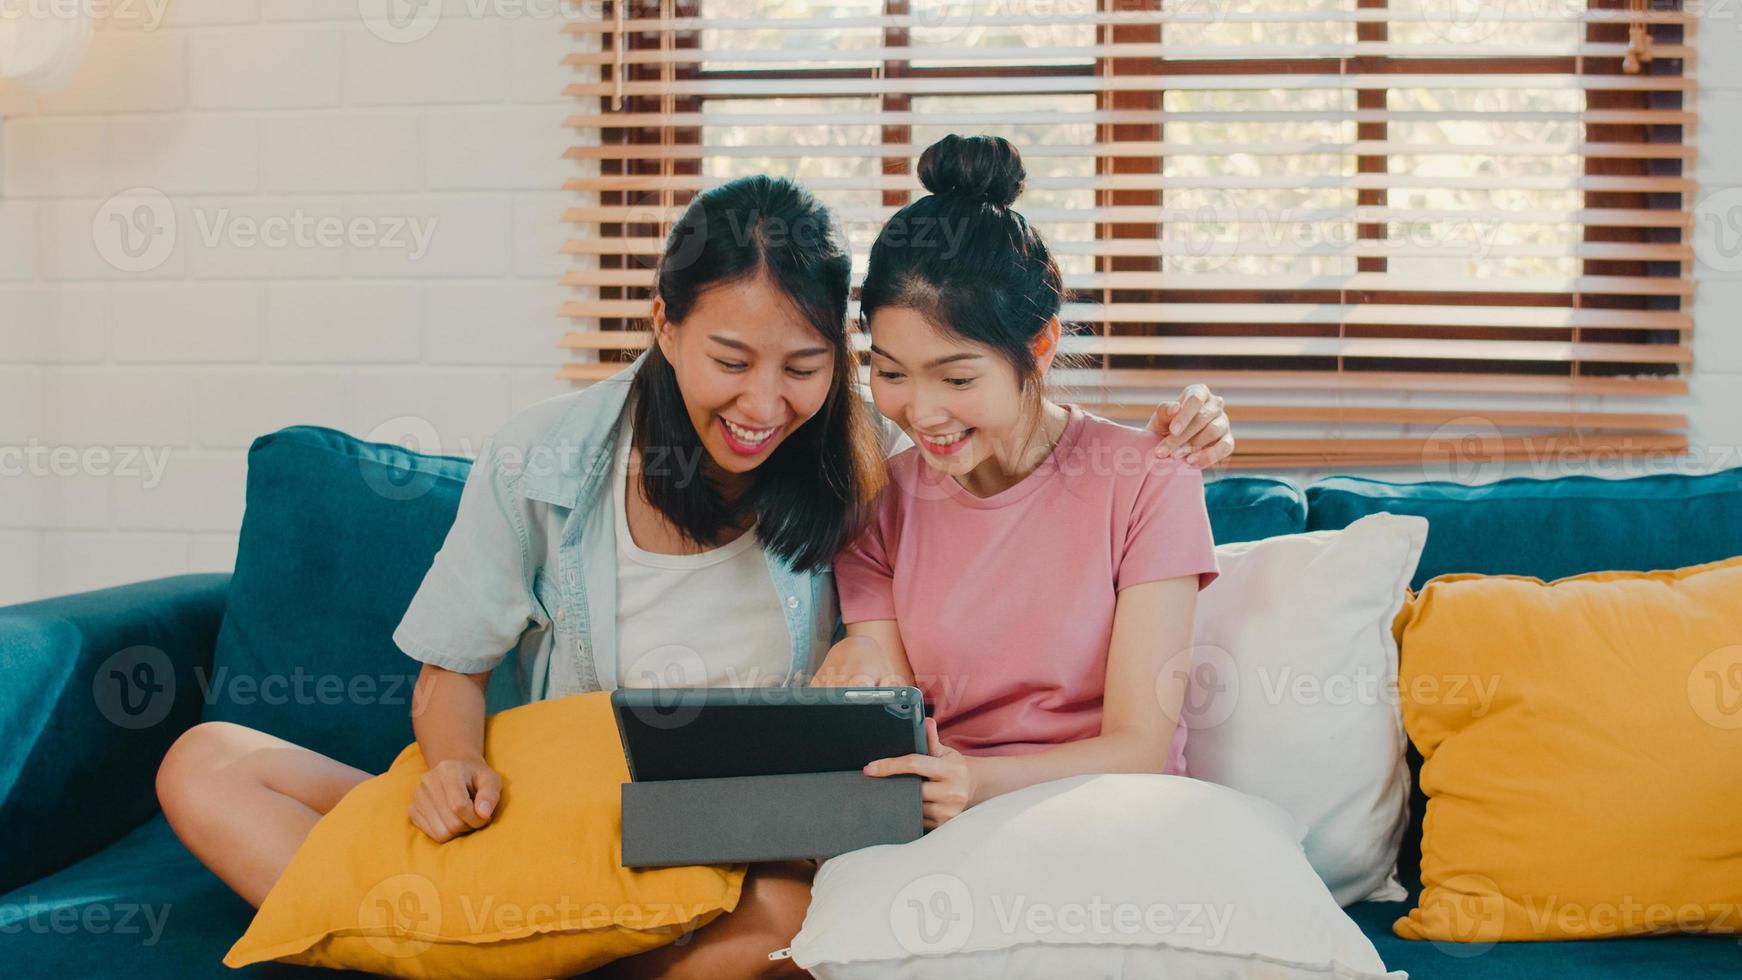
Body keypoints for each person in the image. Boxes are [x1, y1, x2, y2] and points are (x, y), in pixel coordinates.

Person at [155, 169, 1235, 979]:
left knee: (778, 929)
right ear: (662, 324)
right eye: (731, 359)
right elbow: (451, 667)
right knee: (204, 758)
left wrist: (1162, 444)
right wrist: (451, 766)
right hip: (561, 788)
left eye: (805, 367)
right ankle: (465, 931)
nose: (764, 403)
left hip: (739, 820)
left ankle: (451, 945)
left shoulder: (869, 457)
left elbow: (1000, 490)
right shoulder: (553, 457)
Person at [816, 134, 1221, 834]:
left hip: (1122, 818)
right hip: (948, 825)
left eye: (957, 377)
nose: (922, 411)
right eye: (890, 372)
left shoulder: (1148, 481)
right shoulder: (877, 504)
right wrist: (858, 683)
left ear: (1038, 346)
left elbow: (1140, 746)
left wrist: (977, 781)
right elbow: (896, 721)